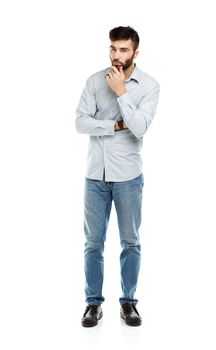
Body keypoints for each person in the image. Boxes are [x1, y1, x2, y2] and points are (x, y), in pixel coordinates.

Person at [75, 26, 160, 327]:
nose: (117, 55)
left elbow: (140, 127)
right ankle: (92, 304)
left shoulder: (149, 86)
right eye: (113, 48)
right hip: (95, 176)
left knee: (130, 242)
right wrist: (113, 126)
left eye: (124, 50)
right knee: (92, 244)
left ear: (135, 52)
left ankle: (128, 303)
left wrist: (122, 93)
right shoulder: (94, 81)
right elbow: (80, 123)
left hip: (128, 177)